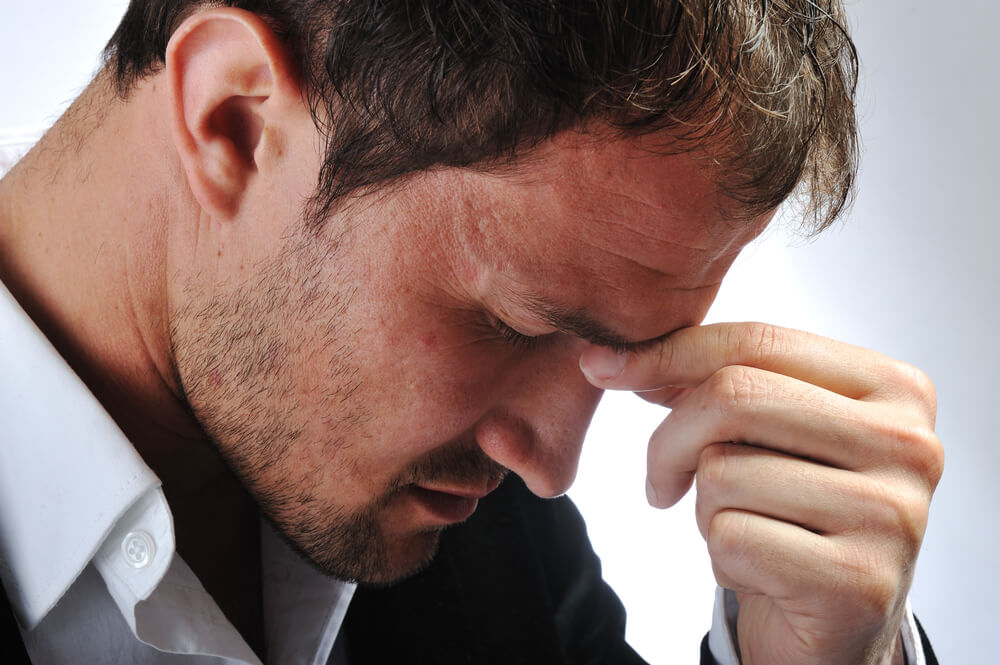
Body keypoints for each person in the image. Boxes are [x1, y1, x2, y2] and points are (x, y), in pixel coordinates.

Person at [0, 1, 942, 663]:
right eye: (514, 325)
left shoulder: (492, 541)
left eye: (607, 359)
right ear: (236, 120)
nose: (549, 467)